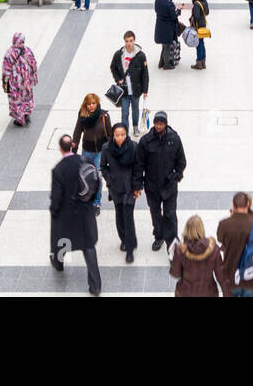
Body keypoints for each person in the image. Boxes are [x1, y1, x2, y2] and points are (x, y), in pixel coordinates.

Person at [49, 134, 102, 295]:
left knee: (61, 240)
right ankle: (95, 285)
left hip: (66, 213)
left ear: (60, 148)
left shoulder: (58, 169)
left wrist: (54, 210)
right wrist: (91, 202)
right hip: (84, 211)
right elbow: (97, 183)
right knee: (88, 246)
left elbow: (57, 196)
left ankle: (58, 263)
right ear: (73, 145)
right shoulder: (85, 161)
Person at [138, 111, 186, 252]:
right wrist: (139, 184)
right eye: (157, 123)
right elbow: (139, 164)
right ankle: (159, 236)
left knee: (170, 214)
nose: (159, 126)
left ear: (165, 124)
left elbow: (181, 161)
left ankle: (172, 243)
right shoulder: (145, 141)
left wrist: (176, 176)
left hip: (169, 185)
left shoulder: (174, 139)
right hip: (152, 186)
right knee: (155, 214)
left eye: (161, 123)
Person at [101, 123, 143, 262]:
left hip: (130, 187)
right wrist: (109, 179)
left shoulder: (134, 147)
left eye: (123, 135)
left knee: (128, 217)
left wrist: (138, 187)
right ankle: (125, 239)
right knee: (119, 215)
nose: (120, 138)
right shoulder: (106, 148)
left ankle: (130, 249)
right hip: (115, 187)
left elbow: (138, 168)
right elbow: (103, 166)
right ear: (113, 135)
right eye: (117, 135)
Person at [216, 192, 253, 297]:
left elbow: (220, 239)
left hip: (231, 278)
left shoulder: (224, 224)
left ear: (233, 205)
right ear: (248, 205)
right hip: (251, 279)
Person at [169, 215, 225, 297]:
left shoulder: (180, 249)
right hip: (208, 292)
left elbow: (175, 274)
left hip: (186, 292)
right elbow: (221, 276)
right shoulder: (214, 249)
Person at [109, 31, 148, 135]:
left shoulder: (140, 56)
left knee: (135, 111)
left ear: (134, 41)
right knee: (124, 112)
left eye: (131, 41)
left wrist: (145, 90)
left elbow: (145, 74)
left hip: (136, 89)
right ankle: (124, 130)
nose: (129, 43)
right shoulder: (119, 54)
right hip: (124, 90)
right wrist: (118, 79)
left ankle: (135, 127)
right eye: (126, 41)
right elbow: (113, 67)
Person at [1, 32, 38, 127]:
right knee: (27, 97)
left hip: (15, 82)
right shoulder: (28, 51)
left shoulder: (10, 52)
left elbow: (6, 69)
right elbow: (33, 64)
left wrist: (4, 81)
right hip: (26, 81)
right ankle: (26, 113)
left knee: (16, 98)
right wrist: (33, 78)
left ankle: (19, 119)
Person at [153, 0, 183, 71]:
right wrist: (179, 9)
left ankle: (161, 62)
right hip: (167, 28)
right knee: (167, 45)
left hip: (160, 26)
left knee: (164, 45)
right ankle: (166, 64)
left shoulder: (158, 0)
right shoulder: (169, 4)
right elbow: (174, 16)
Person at [188, 0, 210, 70]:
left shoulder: (196, 4)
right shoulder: (204, 1)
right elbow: (207, 12)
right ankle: (203, 62)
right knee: (201, 43)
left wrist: (192, 19)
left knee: (198, 44)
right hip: (203, 24)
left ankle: (199, 63)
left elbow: (196, 16)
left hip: (198, 26)